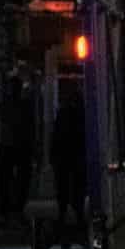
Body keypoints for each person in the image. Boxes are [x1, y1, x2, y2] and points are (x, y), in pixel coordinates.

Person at [0, 74, 36, 221]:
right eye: (12, 87)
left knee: (20, 179)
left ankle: (15, 208)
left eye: (16, 87)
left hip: (20, 146)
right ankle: (6, 209)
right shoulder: (4, 105)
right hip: (8, 146)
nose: (14, 90)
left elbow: (32, 126)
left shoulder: (23, 105)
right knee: (5, 179)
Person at [50, 87, 87, 229]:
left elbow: (56, 135)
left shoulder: (63, 113)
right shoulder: (81, 114)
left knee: (64, 186)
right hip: (75, 155)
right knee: (77, 186)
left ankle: (63, 214)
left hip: (64, 155)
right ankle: (76, 214)